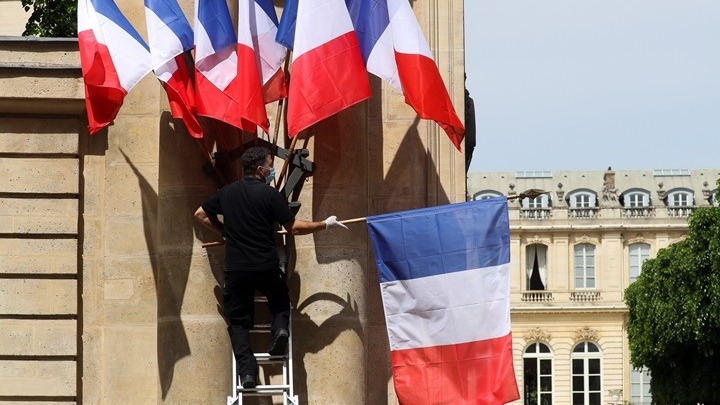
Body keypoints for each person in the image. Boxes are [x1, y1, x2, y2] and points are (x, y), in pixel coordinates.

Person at [194, 146, 348, 389]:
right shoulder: (271, 195)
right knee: (280, 303)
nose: (271, 170)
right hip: (265, 265)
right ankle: (279, 331)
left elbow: (201, 214)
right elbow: (293, 227)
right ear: (260, 169)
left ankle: (247, 373)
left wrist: (225, 232)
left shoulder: (227, 193)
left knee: (238, 322)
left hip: (237, 269)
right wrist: (324, 225)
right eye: (269, 164)